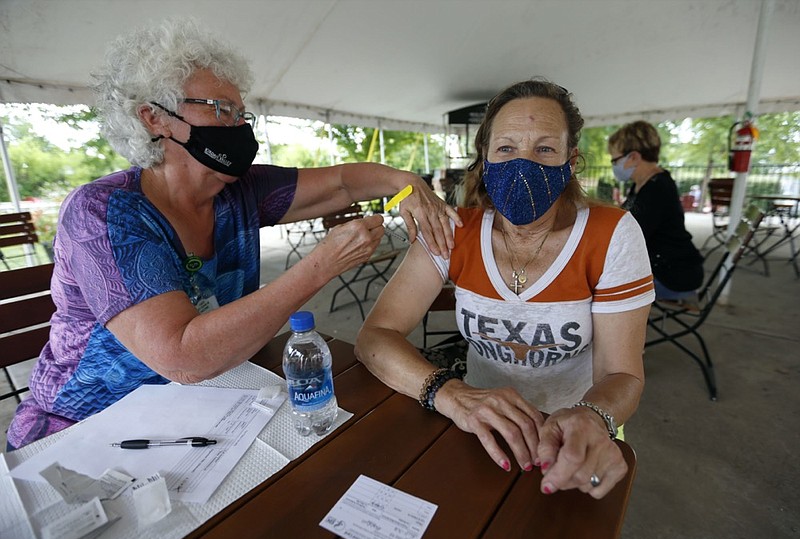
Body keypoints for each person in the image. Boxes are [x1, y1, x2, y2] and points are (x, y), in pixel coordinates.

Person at [6, 19, 460, 451]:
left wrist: (409, 183)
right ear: (154, 118)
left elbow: (344, 181)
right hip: (88, 429)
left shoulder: (240, 192)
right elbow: (183, 357)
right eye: (221, 110)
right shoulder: (104, 214)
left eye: (242, 113)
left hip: (208, 410)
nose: (239, 128)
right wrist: (320, 265)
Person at [355, 79, 654, 499]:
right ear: (485, 159)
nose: (523, 163)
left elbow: (622, 375)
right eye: (506, 148)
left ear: (571, 162)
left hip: (575, 432)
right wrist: (450, 393)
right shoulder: (452, 231)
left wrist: (590, 417)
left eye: (545, 149)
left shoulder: (611, 234)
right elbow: (374, 339)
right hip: (476, 424)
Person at [608, 120, 704, 301]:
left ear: (634, 157)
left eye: (615, 160)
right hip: (667, 268)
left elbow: (628, 237)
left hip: (673, 276)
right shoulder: (642, 185)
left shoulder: (657, 189)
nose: (614, 165)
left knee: (599, 286)